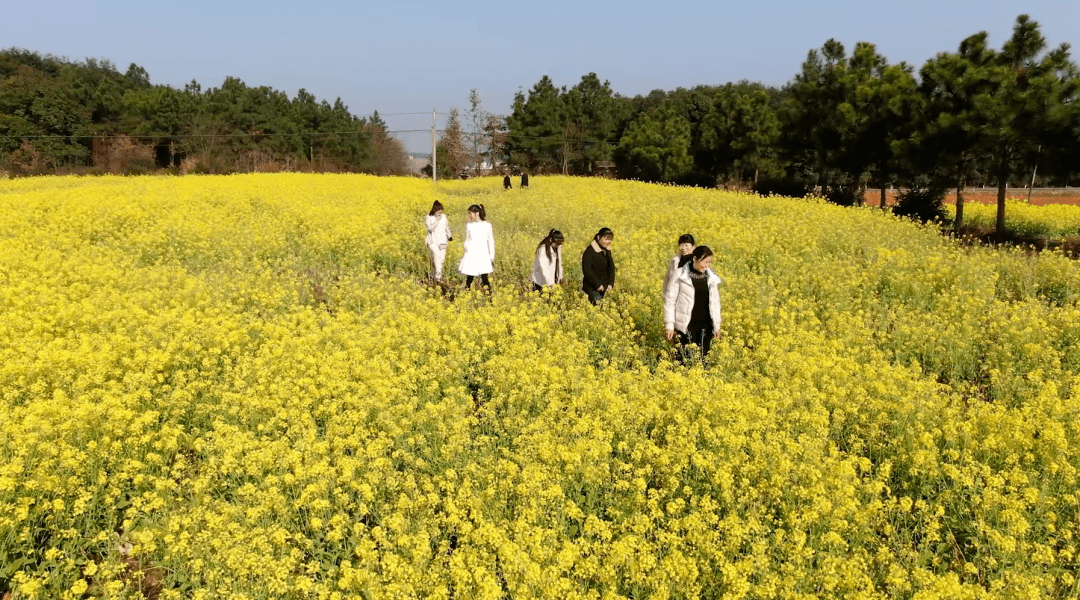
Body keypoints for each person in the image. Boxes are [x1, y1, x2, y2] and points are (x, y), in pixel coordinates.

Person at [664, 245, 723, 365]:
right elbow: (670, 301)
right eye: (705, 262)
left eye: (710, 262)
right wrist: (669, 325)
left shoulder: (711, 277)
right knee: (684, 360)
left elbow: (715, 303)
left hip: (706, 325)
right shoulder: (679, 274)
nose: (708, 265)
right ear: (695, 259)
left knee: (703, 360)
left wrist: (716, 326)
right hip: (686, 325)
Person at [458, 204, 494, 289]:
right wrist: (465, 249)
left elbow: (491, 241)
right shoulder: (469, 225)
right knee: (469, 277)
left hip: (483, 254)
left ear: (477, 213)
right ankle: (467, 296)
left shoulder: (487, 225)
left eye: (470, 213)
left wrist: (491, 256)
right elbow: (467, 239)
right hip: (471, 253)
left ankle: (490, 299)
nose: (469, 215)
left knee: (484, 278)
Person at [581, 227, 615, 305]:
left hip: (605, 288)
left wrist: (610, 283)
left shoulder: (607, 251)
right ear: (598, 237)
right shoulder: (589, 251)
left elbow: (611, 268)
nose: (608, 242)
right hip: (592, 288)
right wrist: (598, 285)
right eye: (606, 239)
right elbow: (587, 271)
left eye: (610, 239)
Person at [424, 200, 453, 280]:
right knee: (436, 255)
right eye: (439, 211)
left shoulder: (444, 216)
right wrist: (437, 220)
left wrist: (449, 236)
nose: (440, 213)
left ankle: (434, 274)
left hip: (443, 241)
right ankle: (438, 278)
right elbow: (430, 228)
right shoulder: (428, 217)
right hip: (432, 241)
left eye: (441, 211)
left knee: (441, 259)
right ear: (435, 210)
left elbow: (446, 226)